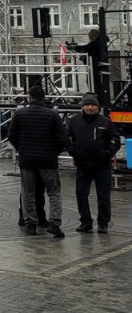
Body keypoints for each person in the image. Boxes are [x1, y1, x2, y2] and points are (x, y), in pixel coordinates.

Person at [8, 84, 66, 238]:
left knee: (28, 193)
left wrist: (21, 148)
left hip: (27, 160)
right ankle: (54, 222)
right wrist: (54, 152)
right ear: (44, 97)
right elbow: (62, 138)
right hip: (48, 160)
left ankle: (31, 223)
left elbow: (11, 135)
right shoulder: (53, 115)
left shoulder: (20, 114)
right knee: (53, 192)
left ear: (29, 97)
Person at [66, 92, 121, 234]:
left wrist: (106, 154)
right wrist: (75, 153)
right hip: (82, 165)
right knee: (81, 194)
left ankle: (103, 223)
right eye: (87, 105)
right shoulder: (74, 121)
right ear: (82, 107)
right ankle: (85, 222)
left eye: (93, 105)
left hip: (102, 166)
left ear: (97, 107)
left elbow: (115, 141)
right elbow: (67, 140)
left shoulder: (105, 122)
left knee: (103, 196)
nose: (90, 108)